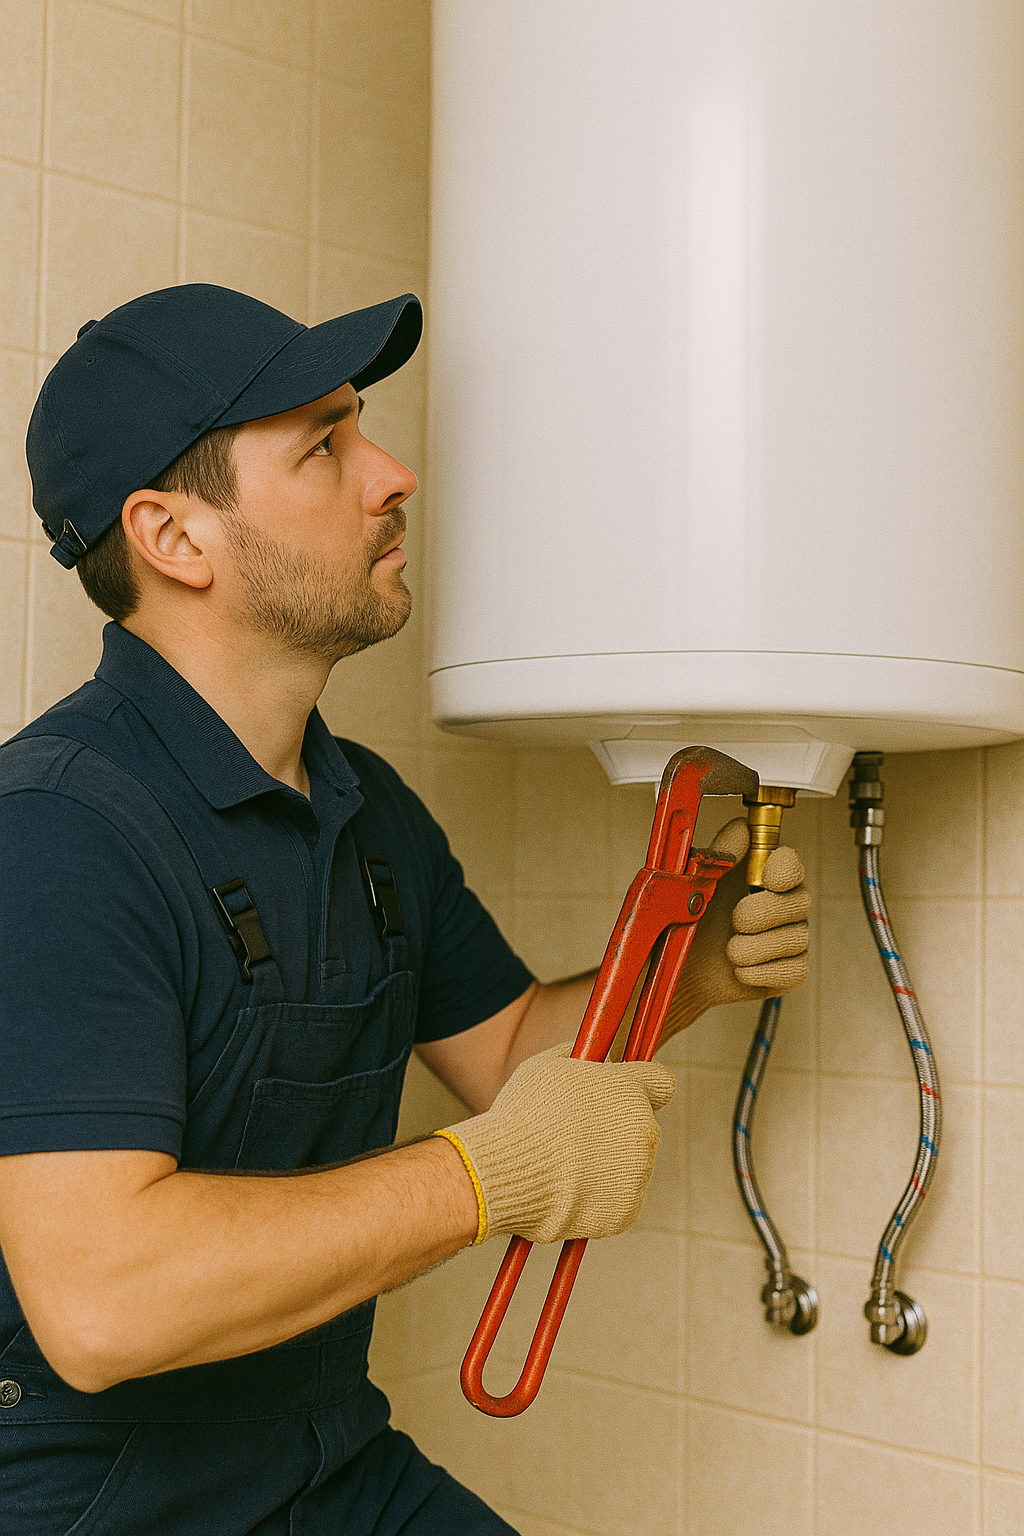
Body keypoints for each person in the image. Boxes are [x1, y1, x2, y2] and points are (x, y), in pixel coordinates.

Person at [0, 285, 810, 1534]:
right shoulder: (58, 832)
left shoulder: (361, 807)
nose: (393, 475)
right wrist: (485, 1181)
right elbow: (106, 1304)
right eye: (322, 446)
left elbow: (504, 1061)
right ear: (173, 537)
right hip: (104, 1501)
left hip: (327, 1464)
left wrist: (684, 968)